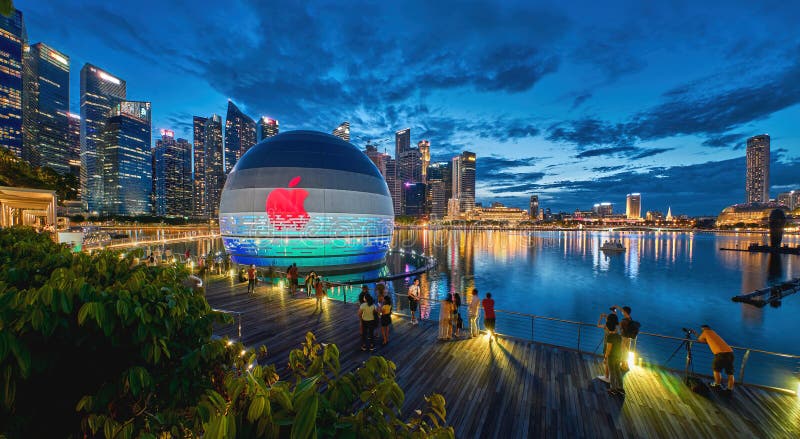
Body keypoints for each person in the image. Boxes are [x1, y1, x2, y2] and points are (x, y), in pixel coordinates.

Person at [696, 325, 735, 391]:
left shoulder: (706, 332)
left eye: (702, 329)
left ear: (705, 328)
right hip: (730, 353)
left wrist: (695, 334)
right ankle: (730, 389)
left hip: (721, 354)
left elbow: (700, 340)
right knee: (730, 373)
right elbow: (707, 341)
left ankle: (717, 385)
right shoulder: (713, 333)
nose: (702, 330)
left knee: (716, 370)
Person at [604, 316, 625, 396]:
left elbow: (608, 349)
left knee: (612, 373)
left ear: (608, 328)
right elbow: (622, 347)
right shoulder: (619, 336)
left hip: (612, 357)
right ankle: (620, 388)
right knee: (618, 372)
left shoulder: (610, 337)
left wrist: (605, 357)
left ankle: (613, 389)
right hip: (618, 356)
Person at [596, 312, 619, 383]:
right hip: (615, 344)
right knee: (611, 359)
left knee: (607, 359)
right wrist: (607, 317)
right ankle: (609, 376)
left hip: (607, 343)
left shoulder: (606, 326)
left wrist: (601, 317)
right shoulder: (616, 327)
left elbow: (598, 325)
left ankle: (606, 376)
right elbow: (611, 323)